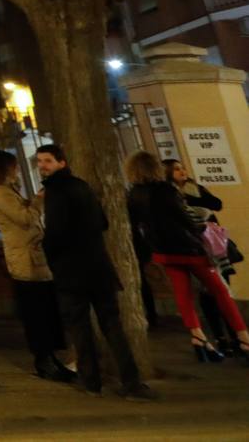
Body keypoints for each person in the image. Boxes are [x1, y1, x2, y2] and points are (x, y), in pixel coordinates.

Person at [36, 144, 155, 401]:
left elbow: (55, 232)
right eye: (39, 161)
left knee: (80, 327)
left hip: (71, 269)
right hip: (98, 266)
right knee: (112, 325)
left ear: (61, 162)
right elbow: (102, 222)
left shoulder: (55, 191)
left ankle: (91, 381)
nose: (42, 166)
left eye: (47, 161)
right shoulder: (82, 186)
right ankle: (132, 382)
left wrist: (52, 255)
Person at [127, 150, 249, 363]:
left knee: (183, 294)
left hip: (163, 252)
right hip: (189, 249)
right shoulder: (165, 191)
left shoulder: (134, 194)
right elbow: (185, 219)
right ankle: (243, 337)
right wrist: (202, 229)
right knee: (220, 292)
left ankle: (198, 337)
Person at [0, 151, 73, 382]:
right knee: (37, 312)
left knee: (44, 309)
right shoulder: (1, 193)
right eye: (14, 166)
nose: (18, 170)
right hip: (26, 256)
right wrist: (39, 199)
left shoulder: (5, 190)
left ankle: (50, 358)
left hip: (30, 254)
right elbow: (24, 218)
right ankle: (44, 360)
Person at [166, 158, 236, 351]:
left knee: (224, 289)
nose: (182, 172)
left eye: (183, 168)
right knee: (208, 293)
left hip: (215, 246)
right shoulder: (170, 195)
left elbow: (217, 204)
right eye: (176, 169)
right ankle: (220, 336)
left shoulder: (195, 188)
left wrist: (194, 196)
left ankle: (235, 335)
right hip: (196, 247)